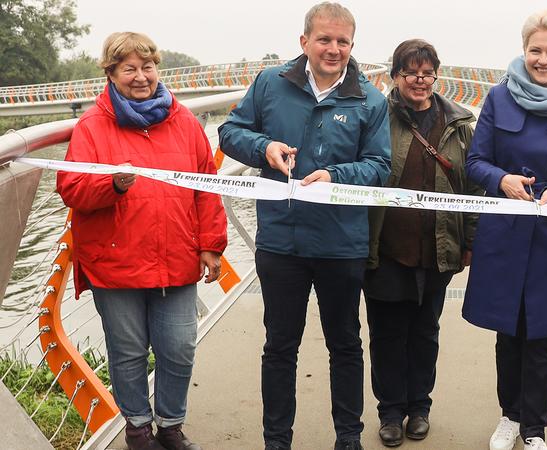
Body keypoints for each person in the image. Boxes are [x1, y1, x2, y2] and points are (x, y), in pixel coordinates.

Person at [217, 3, 390, 450]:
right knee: (279, 347)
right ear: (304, 42)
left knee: (346, 345)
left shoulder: (370, 99)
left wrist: (337, 176)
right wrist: (264, 147)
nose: (334, 49)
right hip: (281, 240)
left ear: (353, 45)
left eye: (343, 42)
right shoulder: (270, 83)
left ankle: (347, 438)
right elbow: (230, 132)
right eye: (325, 40)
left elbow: (379, 165)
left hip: (341, 243)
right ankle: (277, 440)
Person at [56, 32, 227, 450]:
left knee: (179, 348)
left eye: (147, 66)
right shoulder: (92, 127)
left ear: (157, 69)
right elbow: (71, 188)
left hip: (177, 258)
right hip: (116, 264)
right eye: (128, 69)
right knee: (128, 352)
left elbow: (206, 186)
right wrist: (111, 184)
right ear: (111, 74)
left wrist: (211, 244)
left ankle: (170, 425)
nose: (140, 76)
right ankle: (137, 427)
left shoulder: (184, 121)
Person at [461, 10, 547, 450]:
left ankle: (535, 428)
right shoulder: (498, 98)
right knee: (508, 330)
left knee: (544, 333)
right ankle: (509, 416)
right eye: (535, 50)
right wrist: (501, 180)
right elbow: (476, 160)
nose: (543, 59)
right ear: (524, 51)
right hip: (505, 230)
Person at [362, 39, 480, 448]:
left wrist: (470, 240)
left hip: (437, 246)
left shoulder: (459, 124)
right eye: (411, 72)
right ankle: (390, 412)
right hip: (387, 246)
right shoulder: (376, 115)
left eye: (427, 72)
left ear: (436, 75)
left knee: (425, 331)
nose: (420, 80)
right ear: (395, 76)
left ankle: (420, 407)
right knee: (387, 333)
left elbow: (473, 186)